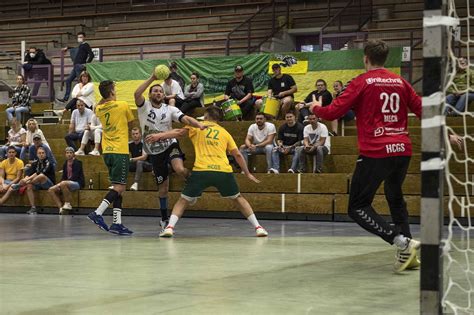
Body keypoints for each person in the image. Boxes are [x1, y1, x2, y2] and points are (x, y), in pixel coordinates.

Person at [310, 39, 422, 273]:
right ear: (386, 58)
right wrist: (447, 133)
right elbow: (423, 110)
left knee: (358, 206)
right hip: (402, 149)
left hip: (376, 151)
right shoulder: (400, 81)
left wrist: (315, 109)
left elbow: (334, 111)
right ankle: (408, 252)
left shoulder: (362, 82)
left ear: (365, 58)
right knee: (394, 195)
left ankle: (402, 242)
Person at [152, 106, 268, 238]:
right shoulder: (225, 133)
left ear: (206, 117)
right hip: (223, 171)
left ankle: (169, 228)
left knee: (183, 200)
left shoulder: (197, 126)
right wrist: (247, 173)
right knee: (238, 198)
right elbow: (238, 155)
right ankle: (258, 227)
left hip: (202, 170)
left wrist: (159, 136)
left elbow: (178, 133)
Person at [134, 70, 205, 230]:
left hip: (170, 145)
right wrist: (152, 77)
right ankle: (164, 218)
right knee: (163, 188)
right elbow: (137, 93)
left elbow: (185, 119)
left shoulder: (169, 109)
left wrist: (198, 124)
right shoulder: (143, 107)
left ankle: (193, 186)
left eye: (160, 91)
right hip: (154, 152)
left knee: (179, 168)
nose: (158, 93)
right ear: (150, 94)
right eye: (155, 91)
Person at [87, 80, 135, 235]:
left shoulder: (100, 108)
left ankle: (117, 223)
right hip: (120, 151)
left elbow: (96, 106)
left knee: (117, 189)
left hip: (107, 151)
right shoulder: (122, 105)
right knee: (120, 187)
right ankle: (98, 213)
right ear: (112, 92)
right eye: (115, 89)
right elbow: (132, 123)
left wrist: (105, 95)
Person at [11, 146, 56, 214]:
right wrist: (25, 179)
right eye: (39, 153)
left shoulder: (48, 162)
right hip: (38, 183)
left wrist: (26, 180)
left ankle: (21, 185)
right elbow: (29, 174)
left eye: (43, 153)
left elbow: (39, 173)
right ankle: (33, 208)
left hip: (48, 184)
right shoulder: (35, 163)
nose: (41, 154)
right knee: (29, 185)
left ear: (45, 154)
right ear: (37, 154)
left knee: (41, 176)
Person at [57, 32, 94, 102]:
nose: (79, 39)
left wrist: (86, 64)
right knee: (68, 80)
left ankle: (81, 99)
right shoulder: (81, 46)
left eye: (81, 37)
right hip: (76, 66)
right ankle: (66, 98)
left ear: (84, 37)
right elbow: (76, 48)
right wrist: (68, 48)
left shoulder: (86, 45)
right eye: (78, 37)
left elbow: (91, 55)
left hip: (79, 65)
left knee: (80, 82)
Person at [48, 147, 85, 214]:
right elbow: (64, 176)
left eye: (71, 153)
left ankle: (68, 203)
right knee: (51, 189)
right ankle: (60, 208)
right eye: (67, 153)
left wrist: (62, 183)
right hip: (66, 183)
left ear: (74, 154)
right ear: (65, 154)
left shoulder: (78, 163)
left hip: (77, 183)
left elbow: (75, 177)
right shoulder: (65, 164)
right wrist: (60, 184)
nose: (69, 154)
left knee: (63, 184)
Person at [128, 127, 152, 191]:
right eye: (133, 134)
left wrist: (132, 159)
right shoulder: (130, 144)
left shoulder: (144, 143)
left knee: (139, 162)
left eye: (136, 133)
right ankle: (116, 183)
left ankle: (136, 183)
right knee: (122, 163)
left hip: (147, 165)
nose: (135, 135)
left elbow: (144, 157)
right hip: (136, 165)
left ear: (140, 134)